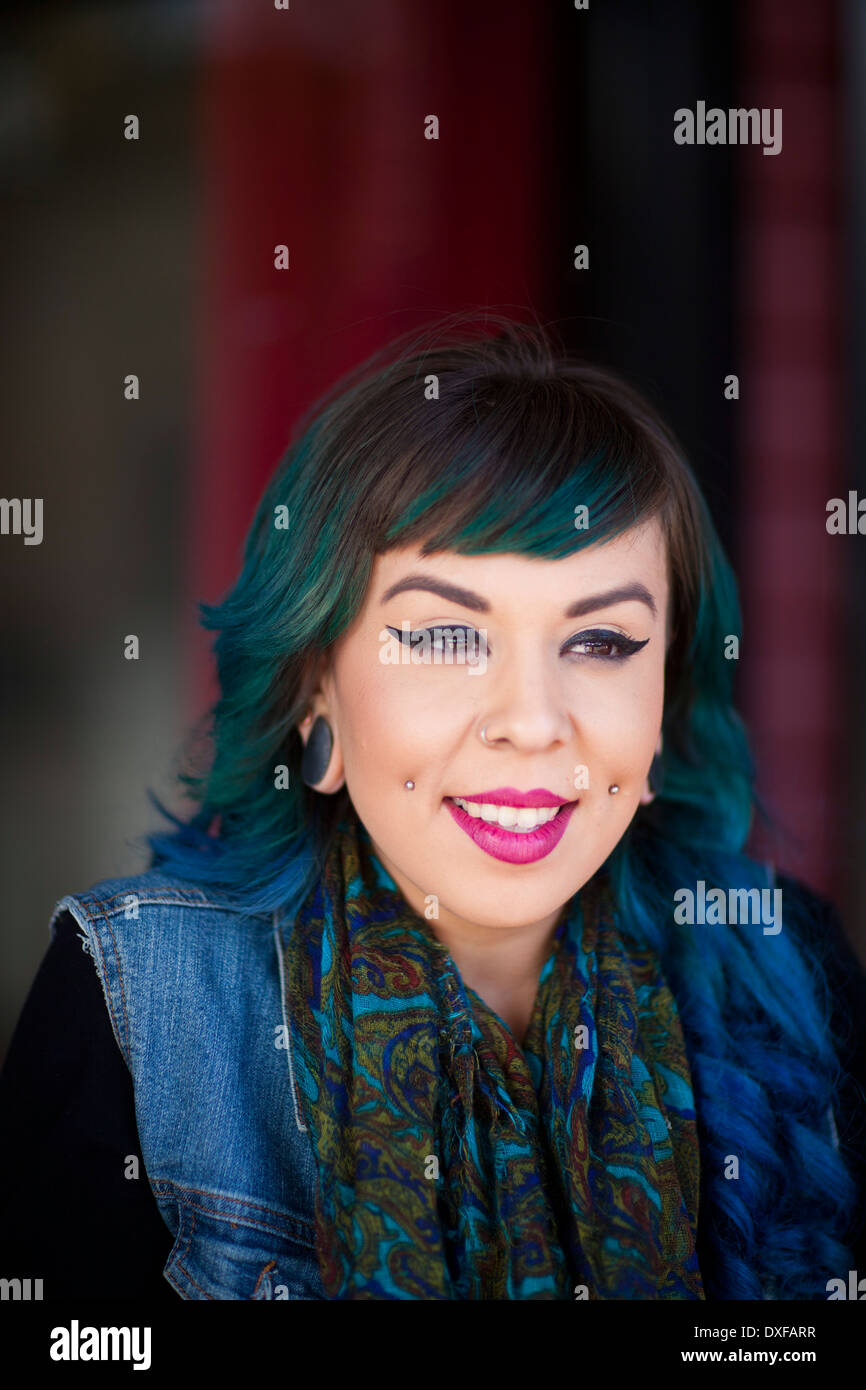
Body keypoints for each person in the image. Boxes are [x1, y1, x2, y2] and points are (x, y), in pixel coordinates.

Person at [2, 313, 865, 1301]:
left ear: (663, 704)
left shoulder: (786, 965)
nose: (531, 723)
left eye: (600, 644)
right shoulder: (140, 1001)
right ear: (313, 687)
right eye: (444, 636)